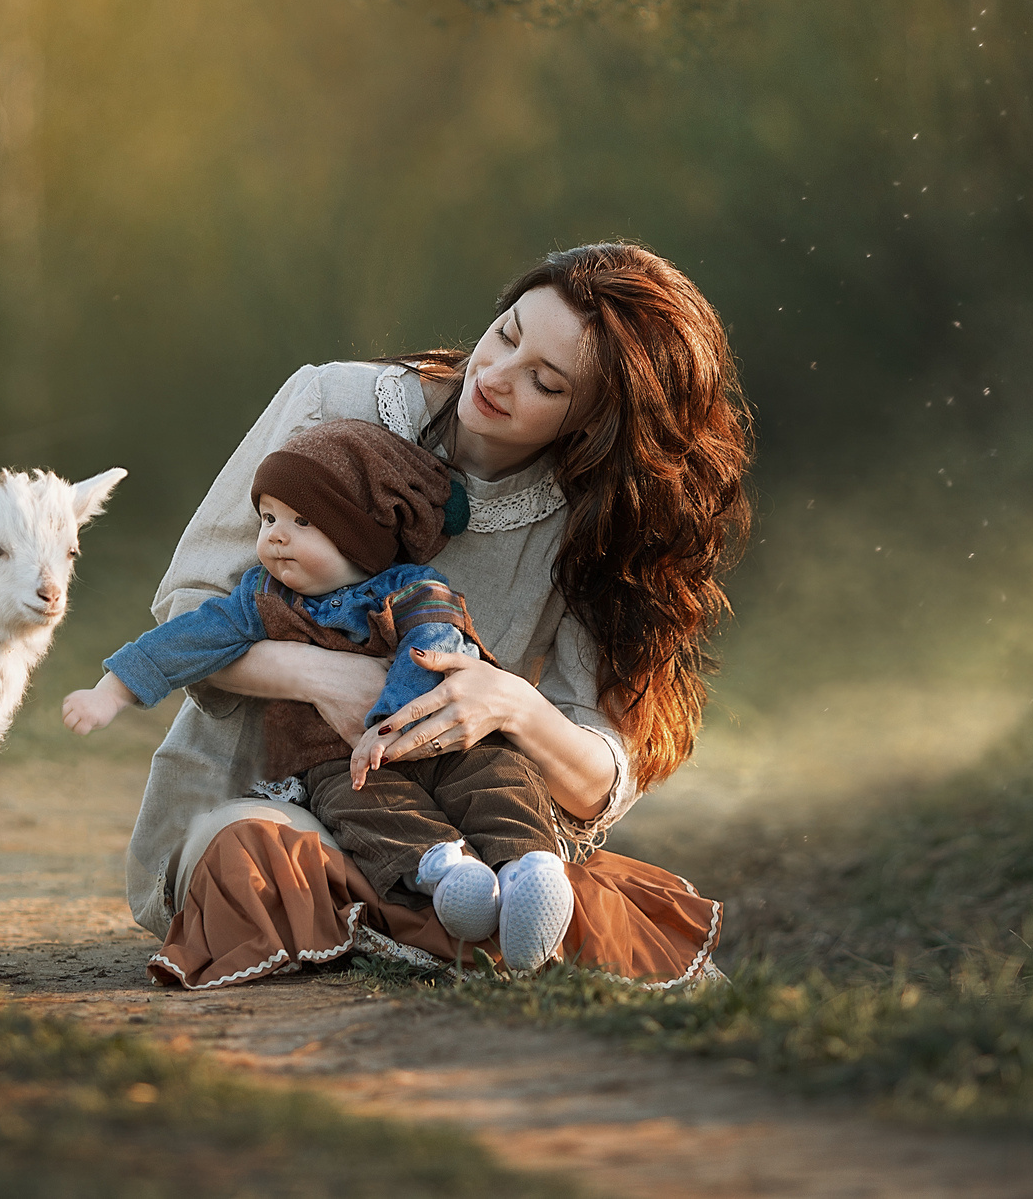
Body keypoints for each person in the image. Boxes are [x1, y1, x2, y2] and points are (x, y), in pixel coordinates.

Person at [127, 243, 750, 990]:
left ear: (595, 425)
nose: (493, 376)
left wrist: (511, 703)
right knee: (256, 855)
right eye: (508, 334)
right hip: (264, 795)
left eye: (544, 382)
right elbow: (187, 607)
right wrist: (327, 676)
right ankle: (449, 920)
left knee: (517, 875)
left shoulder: (590, 523)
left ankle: (460, 906)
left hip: (455, 825)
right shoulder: (331, 401)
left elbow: (595, 780)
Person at [62, 419, 580, 967]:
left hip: (448, 744)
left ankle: (531, 871)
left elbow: (431, 650)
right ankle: (449, 873)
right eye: (268, 518)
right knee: (361, 809)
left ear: (358, 534)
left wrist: (385, 726)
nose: (275, 536)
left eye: (302, 521)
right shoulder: (261, 599)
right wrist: (112, 690)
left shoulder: (417, 589)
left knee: (499, 777)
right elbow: (187, 639)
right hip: (341, 764)